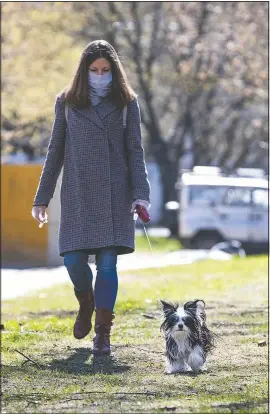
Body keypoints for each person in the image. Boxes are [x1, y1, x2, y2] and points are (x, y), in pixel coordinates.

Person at [31, 39, 151, 356]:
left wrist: (141, 195)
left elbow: (135, 152)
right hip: (78, 194)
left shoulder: (127, 102)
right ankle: (86, 302)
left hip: (115, 194)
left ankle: (103, 335)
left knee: (108, 265)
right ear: (84, 71)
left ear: (114, 71)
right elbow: (54, 152)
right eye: (94, 70)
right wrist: (41, 198)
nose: (100, 76)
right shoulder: (68, 102)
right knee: (73, 261)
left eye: (106, 70)